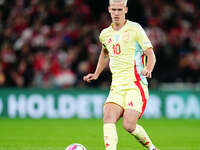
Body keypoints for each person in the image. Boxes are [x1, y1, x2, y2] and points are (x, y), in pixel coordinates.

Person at [83, 0, 157, 149]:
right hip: (116, 86)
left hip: (135, 85)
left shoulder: (135, 29)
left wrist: (148, 69)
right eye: (114, 9)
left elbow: (151, 55)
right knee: (108, 115)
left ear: (126, 10)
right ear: (109, 10)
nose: (116, 13)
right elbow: (104, 54)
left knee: (129, 125)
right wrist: (96, 74)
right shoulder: (105, 34)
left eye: (119, 9)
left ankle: (152, 148)